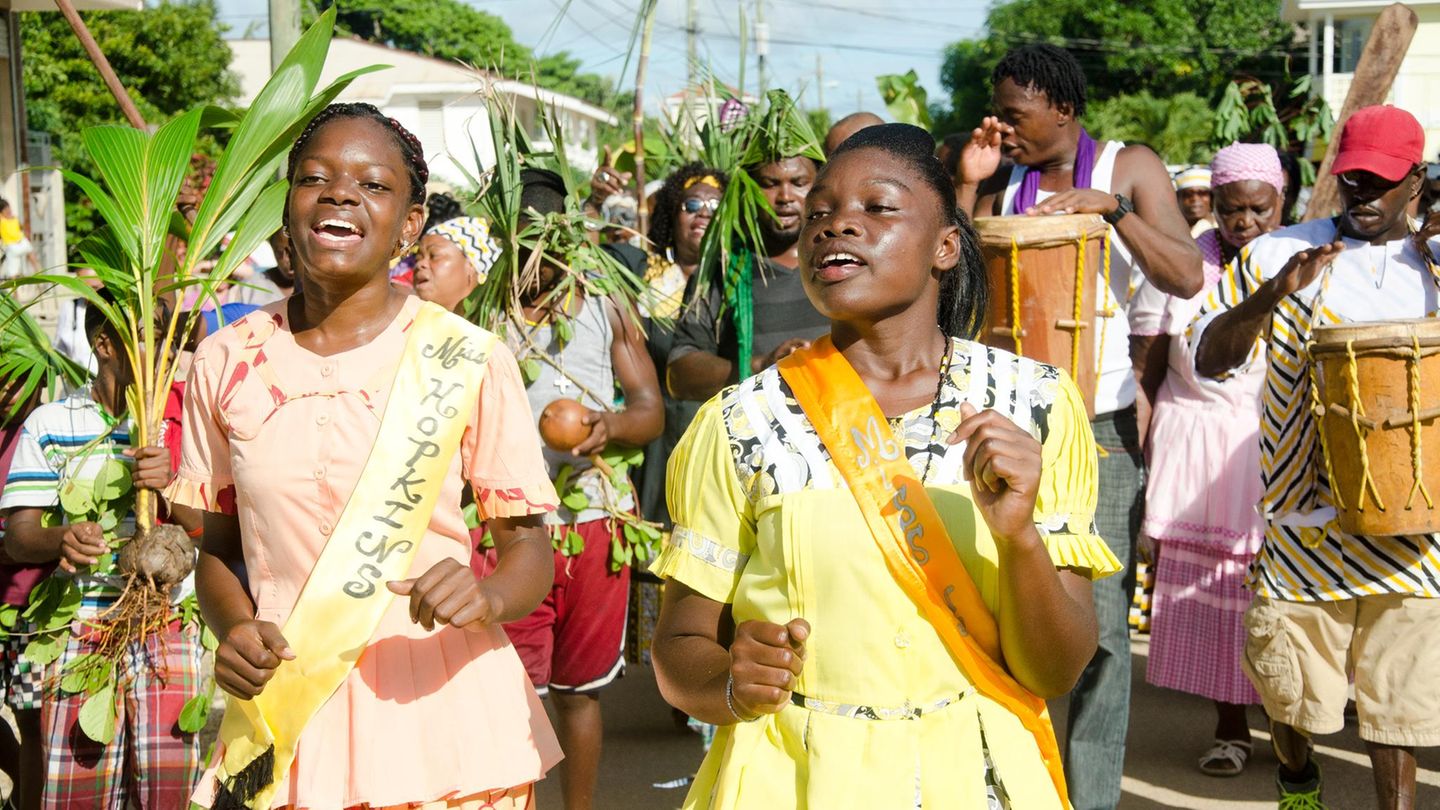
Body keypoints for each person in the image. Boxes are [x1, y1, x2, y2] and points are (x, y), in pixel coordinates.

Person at [651, 122, 1118, 809]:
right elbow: (680, 644)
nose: (836, 225)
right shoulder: (740, 422)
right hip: (797, 780)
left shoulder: (1034, 405)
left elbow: (1056, 670)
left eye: (877, 207)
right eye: (820, 213)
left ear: (946, 246)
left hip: (975, 778)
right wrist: (729, 683)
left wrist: (1018, 536)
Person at [168, 102, 561, 809]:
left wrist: (490, 594)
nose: (341, 195)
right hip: (293, 706)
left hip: (443, 711)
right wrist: (235, 628)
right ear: (288, 208)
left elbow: (528, 546)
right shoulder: (223, 361)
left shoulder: (467, 358)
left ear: (410, 225)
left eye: (373, 185)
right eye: (314, 179)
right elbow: (217, 547)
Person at [953, 43, 1203, 810]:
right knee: (994, 611)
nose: (1003, 127)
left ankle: (1090, 800)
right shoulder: (1003, 179)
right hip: (1005, 422)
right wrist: (969, 184)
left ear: (1063, 108)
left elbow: (1187, 274)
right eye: (998, 114)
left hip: (1100, 426)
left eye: (1016, 114)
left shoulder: (1129, 166)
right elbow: (950, 278)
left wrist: (1114, 212)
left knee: (1101, 634)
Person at [1193, 105, 1440, 809]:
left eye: (1381, 182)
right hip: (1306, 525)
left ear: (1416, 180)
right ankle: (1298, 778)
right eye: (1352, 178)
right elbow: (1208, 357)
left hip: (1414, 528)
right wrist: (1273, 295)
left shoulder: (1434, 261)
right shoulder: (1279, 253)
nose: (1363, 193)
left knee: (1397, 710)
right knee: (1292, 699)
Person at [493, 168, 663, 810]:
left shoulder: (605, 306)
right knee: (513, 690)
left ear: (566, 238)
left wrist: (607, 426)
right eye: (522, 246)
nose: (535, 263)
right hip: (510, 526)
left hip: (594, 520)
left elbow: (649, 409)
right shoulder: (483, 312)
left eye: (546, 246)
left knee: (579, 693)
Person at [1, 296, 201, 808]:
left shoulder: (181, 422)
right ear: (104, 344)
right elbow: (19, 535)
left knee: (169, 785)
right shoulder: (51, 423)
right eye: (148, 337)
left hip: (167, 625)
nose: (164, 352)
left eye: (167, 338)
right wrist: (61, 538)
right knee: (79, 788)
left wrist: (170, 486)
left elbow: (206, 528)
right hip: (80, 626)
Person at [1130, 143, 1286, 778]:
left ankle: (1292, 728)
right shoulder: (1181, 265)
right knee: (1216, 599)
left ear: (1282, 202)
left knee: (1278, 596)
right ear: (1214, 203)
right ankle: (1230, 729)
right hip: (1194, 449)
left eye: (1259, 209)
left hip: (1274, 447)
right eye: (1231, 208)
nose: (1244, 221)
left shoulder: (1299, 261)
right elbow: (1145, 373)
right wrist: (1139, 462)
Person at [666, 144, 831, 403]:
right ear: (747, 188)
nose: (785, 196)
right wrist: (760, 367)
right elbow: (679, 374)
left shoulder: (844, 262)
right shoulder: (724, 270)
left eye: (799, 183)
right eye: (769, 184)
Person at [0, 370, 49, 810]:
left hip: (34, 608)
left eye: (17, 381)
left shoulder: (45, 433)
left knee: (33, 721)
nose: (7, 391)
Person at [411, 216, 501, 313]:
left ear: (471, 266)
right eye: (417, 258)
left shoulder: (499, 321)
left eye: (434, 255)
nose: (420, 264)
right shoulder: (408, 318)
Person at [1173, 165, 1215, 236]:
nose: (1195, 199)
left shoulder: (1223, 231)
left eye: (1202, 193)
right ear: (1178, 198)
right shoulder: (1169, 229)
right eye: (1188, 194)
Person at [0, 200, 38, 279]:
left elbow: (20, 227)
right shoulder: (2, 220)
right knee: (13, 270)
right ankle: (14, 286)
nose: (8, 211)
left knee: (32, 254)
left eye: (8, 208)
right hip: (11, 246)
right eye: (5, 210)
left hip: (21, 241)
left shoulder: (14, 218)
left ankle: (38, 272)